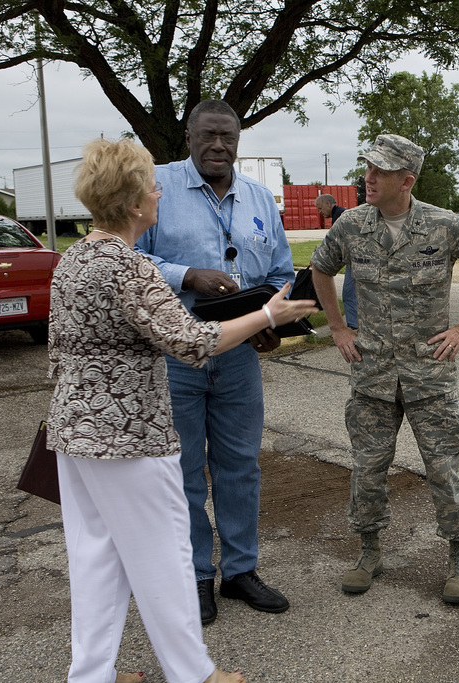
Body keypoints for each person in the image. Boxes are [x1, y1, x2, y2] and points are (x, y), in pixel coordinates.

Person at [49, 138, 316, 683]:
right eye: (150, 185)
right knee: (167, 556)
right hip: (129, 438)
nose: (158, 192)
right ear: (132, 204)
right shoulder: (127, 266)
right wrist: (267, 314)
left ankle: (91, 674)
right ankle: (194, 673)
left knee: (97, 558)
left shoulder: (74, 258)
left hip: (74, 434)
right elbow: (192, 342)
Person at [134, 100, 296, 625]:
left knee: (240, 465)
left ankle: (241, 571)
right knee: (182, 471)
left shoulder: (257, 198)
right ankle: (197, 576)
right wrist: (188, 275)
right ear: (188, 136)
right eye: (208, 135)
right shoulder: (154, 187)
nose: (219, 146)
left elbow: (279, 269)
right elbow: (130, 258)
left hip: (239, 357)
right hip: (176, 355)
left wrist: (268, 321)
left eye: (228, 136)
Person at [311, 134, 459, 604]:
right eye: (367, 168)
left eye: (379, 172)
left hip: (428, 372)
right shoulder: (350, 225)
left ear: (406, 180)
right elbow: (319, 268)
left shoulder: (444, 225)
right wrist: (338, 328)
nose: (368, 178)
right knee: (368, 468)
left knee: (444, 466)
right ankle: (369, 552)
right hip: (371, 372)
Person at [314, 193, 356, 330]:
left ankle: (354, 327)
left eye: (320, 208)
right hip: (355, 261)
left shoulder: (340, 217)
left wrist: (318, 257)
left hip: (354, 262)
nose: (320, 212)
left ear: (328, 204)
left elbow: (338, 245)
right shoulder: (340, 214)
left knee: (349, 294)